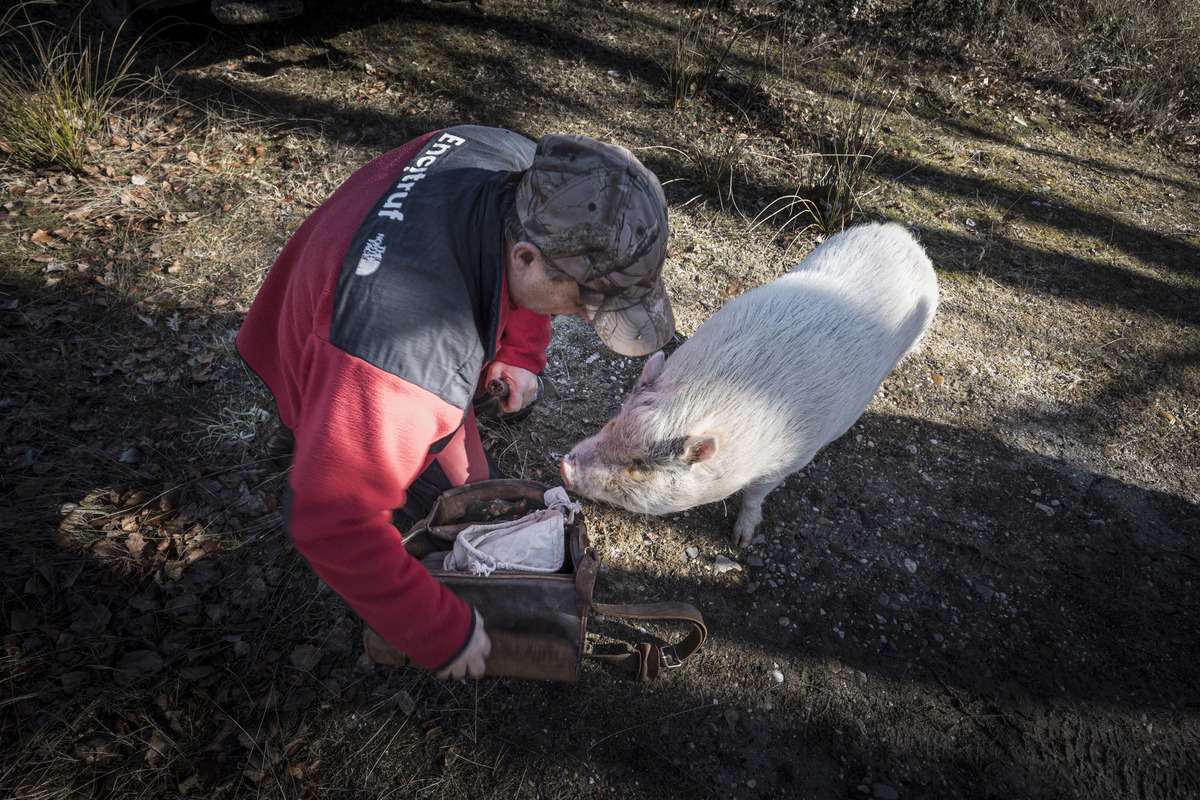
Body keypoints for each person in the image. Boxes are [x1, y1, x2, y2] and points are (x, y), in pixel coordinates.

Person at [236, 126, 674, 680]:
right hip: (323, 336)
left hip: (352, 287)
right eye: (585, 303)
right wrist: (442, 630)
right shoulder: (404, 364)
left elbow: (532, 271)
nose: (586, 318)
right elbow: (332, 520)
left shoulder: (519, 166)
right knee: (404, 487)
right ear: (528, 257)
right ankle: (300, 436)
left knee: (468, 494)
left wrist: (518, 350)